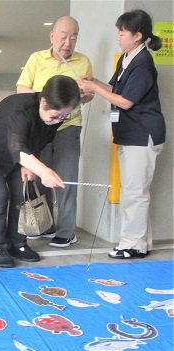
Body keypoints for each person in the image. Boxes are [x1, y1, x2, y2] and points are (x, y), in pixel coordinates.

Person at [78, 9, 165, 259]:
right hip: (128, 134)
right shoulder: (126, 58)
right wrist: (95, 81)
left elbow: (126, 101)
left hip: (143, 134)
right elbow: (115, 88)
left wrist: (95, 87)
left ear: (137, 35)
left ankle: (133, 244)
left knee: (135, 192)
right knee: (132, 190)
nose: (118, 36)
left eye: (122, 32)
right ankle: (139, 242)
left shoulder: (143, 63)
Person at [0, 75, 81, 268]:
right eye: (55, 115)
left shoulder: (55, 116)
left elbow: (37, 141)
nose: (58, 120)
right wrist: (44, 171)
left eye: (64, 116)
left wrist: (28, 165)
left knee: (21, 196)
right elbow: (18, 146)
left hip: (18, 153)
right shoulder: (22, 108)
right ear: (44, 101)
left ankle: (18, 242)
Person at [16, 15, 94, 248]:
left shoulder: (83, 62)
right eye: (63, 36)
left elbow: (88, 94)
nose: (67, 42)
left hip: (68, 127)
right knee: (42, 176)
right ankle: (46, 224)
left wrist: (83, 95)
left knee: (66, 178)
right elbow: (21, 87)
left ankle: (66, 230)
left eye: (73, 37)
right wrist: (47, 101)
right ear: (52, 36)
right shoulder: (36, 59)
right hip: (40, 128)